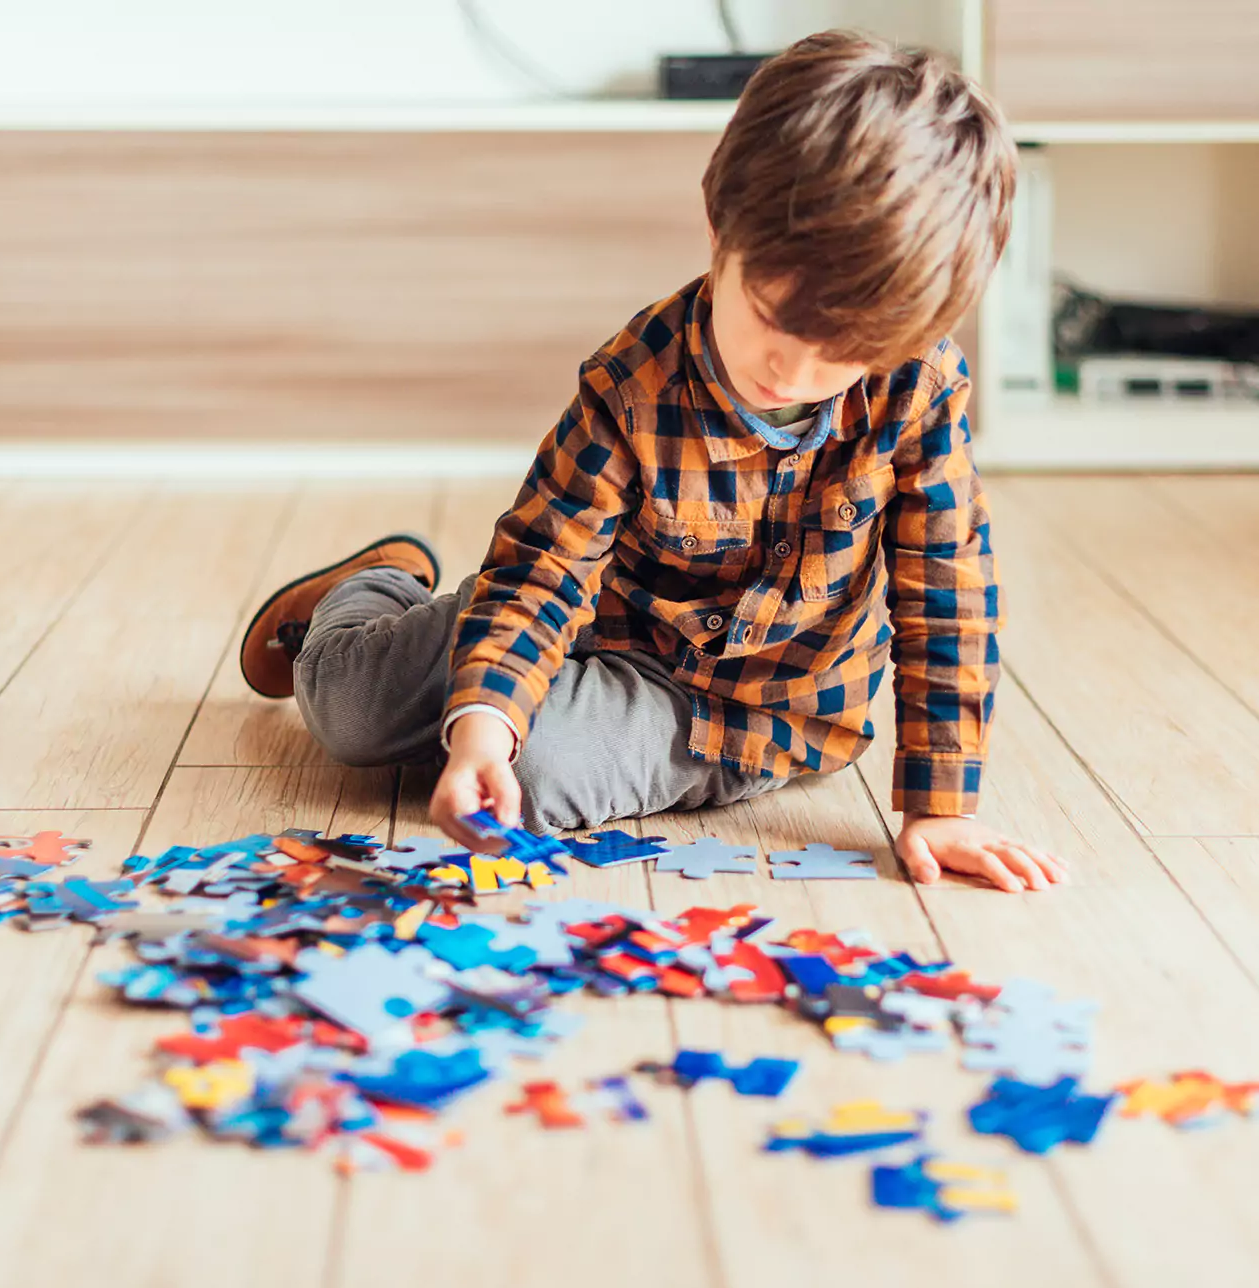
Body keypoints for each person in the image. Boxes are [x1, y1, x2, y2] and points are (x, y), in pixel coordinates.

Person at [239, 31, 1068, 894]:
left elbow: (948, 590)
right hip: (589, 617)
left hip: (752, 715)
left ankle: (488, 699)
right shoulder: (632, 382)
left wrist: (941, 805)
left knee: (539, 778)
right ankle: (369, 596)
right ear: (721, 228)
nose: (792, 370)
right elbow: (545, 568)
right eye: (771, 316)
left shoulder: (921, 386)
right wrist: (483, 720)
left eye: (841, 355)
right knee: (351, 714)